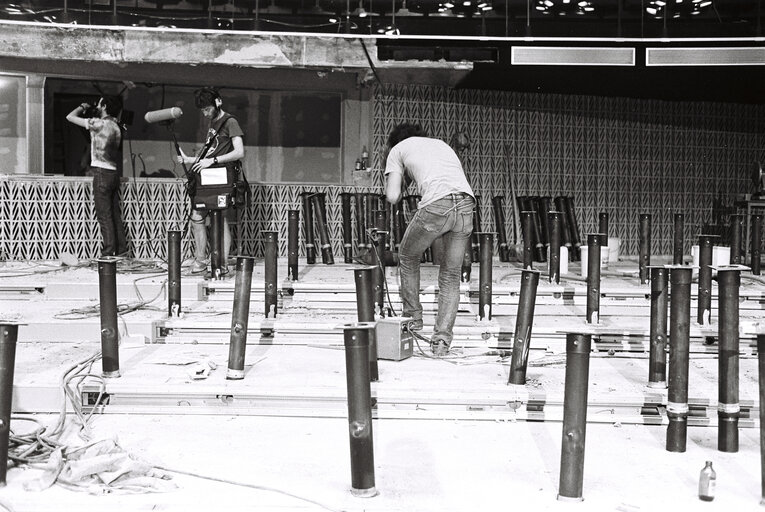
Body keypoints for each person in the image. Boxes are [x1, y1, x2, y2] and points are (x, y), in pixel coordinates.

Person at [384, 122, 475, 356]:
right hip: (466, 203)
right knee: (451, 274)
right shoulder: (440, 144)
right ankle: (442, 341)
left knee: (407, 255)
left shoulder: (397, 150)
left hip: (437, 205)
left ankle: (413, 319)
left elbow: (392, 196)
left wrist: (400, 181)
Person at [176, 88, 245, 274]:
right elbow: (213, 149)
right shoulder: (213, 123)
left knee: (220, 219)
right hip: (206, 177)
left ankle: (221, 264)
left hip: (221, 177)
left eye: (207, 109)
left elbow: (239, 152)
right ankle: (201, 260)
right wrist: (191, 160)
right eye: (203, 111)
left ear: (218, 102)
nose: (205, 113)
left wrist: (212, 161)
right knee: (197, 217)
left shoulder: (231, 122)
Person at [66, 95, 128, 258]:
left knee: (104, 216)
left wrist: (82, 106)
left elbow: (70, 117)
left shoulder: (98, 123)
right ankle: (122, 252)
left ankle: (108, 253)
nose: (98, 105)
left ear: (105, 106)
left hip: (101, 172)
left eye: (101, 103)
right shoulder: (117, 126)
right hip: (114, 173)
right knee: (115, 214)